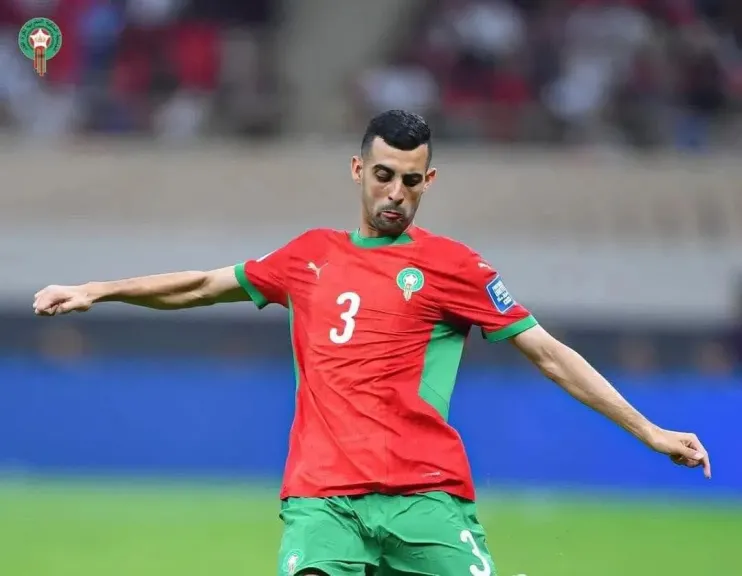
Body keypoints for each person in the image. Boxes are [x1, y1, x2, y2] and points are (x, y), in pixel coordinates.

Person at [33, 110, 711, 576]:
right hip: (322, 498)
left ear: (428, 182)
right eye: (384, 175)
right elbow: (204, 285)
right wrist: (97, 289)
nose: (395, 193)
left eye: (411, 180)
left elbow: (549, 354)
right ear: (359, 169)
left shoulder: (454, 266)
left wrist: (649, 430)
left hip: (425, 494)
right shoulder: (308, 256)